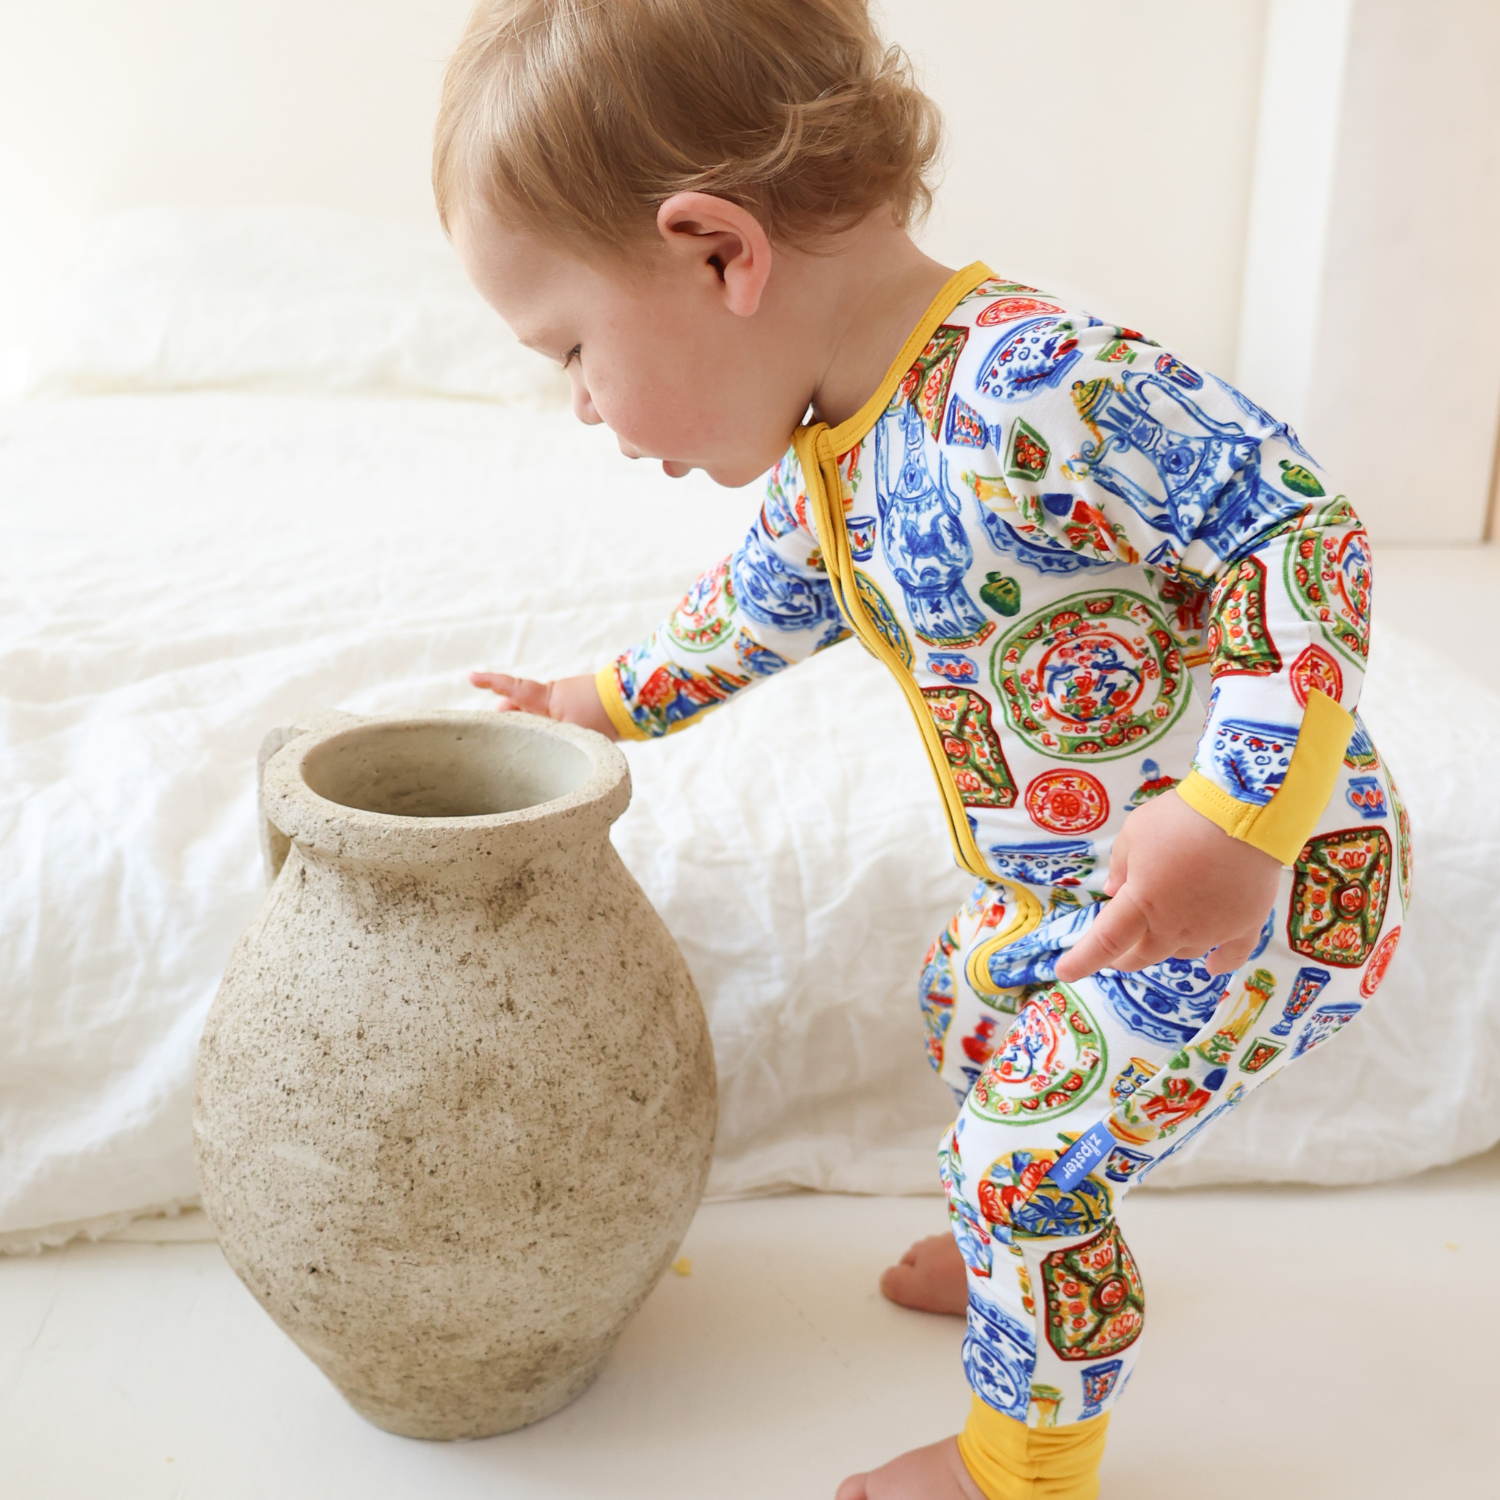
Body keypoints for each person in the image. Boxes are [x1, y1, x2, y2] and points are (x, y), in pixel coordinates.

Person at [434, 2, 1409, 1495]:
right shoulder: (844, 441)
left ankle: (1022, 1458)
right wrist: (596, 699)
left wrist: (1242, 813)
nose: (580, 404)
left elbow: (1299, 530)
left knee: (1018, 1159)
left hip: (1269, 879)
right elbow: (755, 607)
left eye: (572, 345)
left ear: (717, 252)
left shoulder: (1035, 384)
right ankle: (1012, 1254)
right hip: (1074, 886)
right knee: (966, 997)